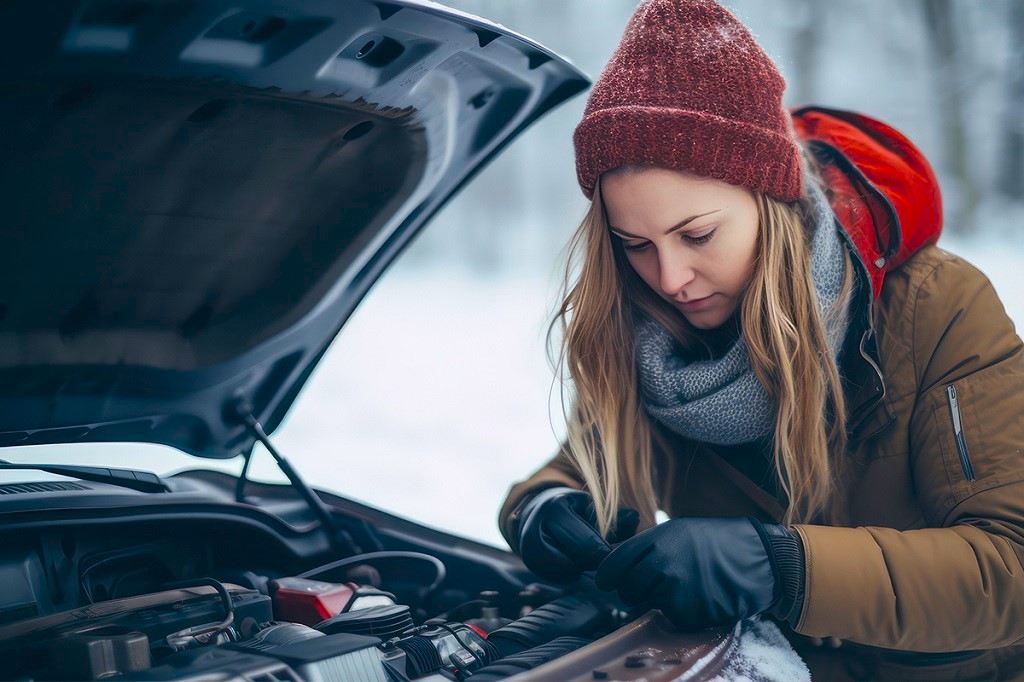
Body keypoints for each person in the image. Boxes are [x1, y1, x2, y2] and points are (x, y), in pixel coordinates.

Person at [497, 0, 1024, 679]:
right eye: (635, 245)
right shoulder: (646, 335)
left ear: (769, 200)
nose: (670, 278)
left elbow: (1011, 570)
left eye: (698, 235)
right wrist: (545, 510)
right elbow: (576, 469)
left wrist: (784, 568)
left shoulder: (935, 308)